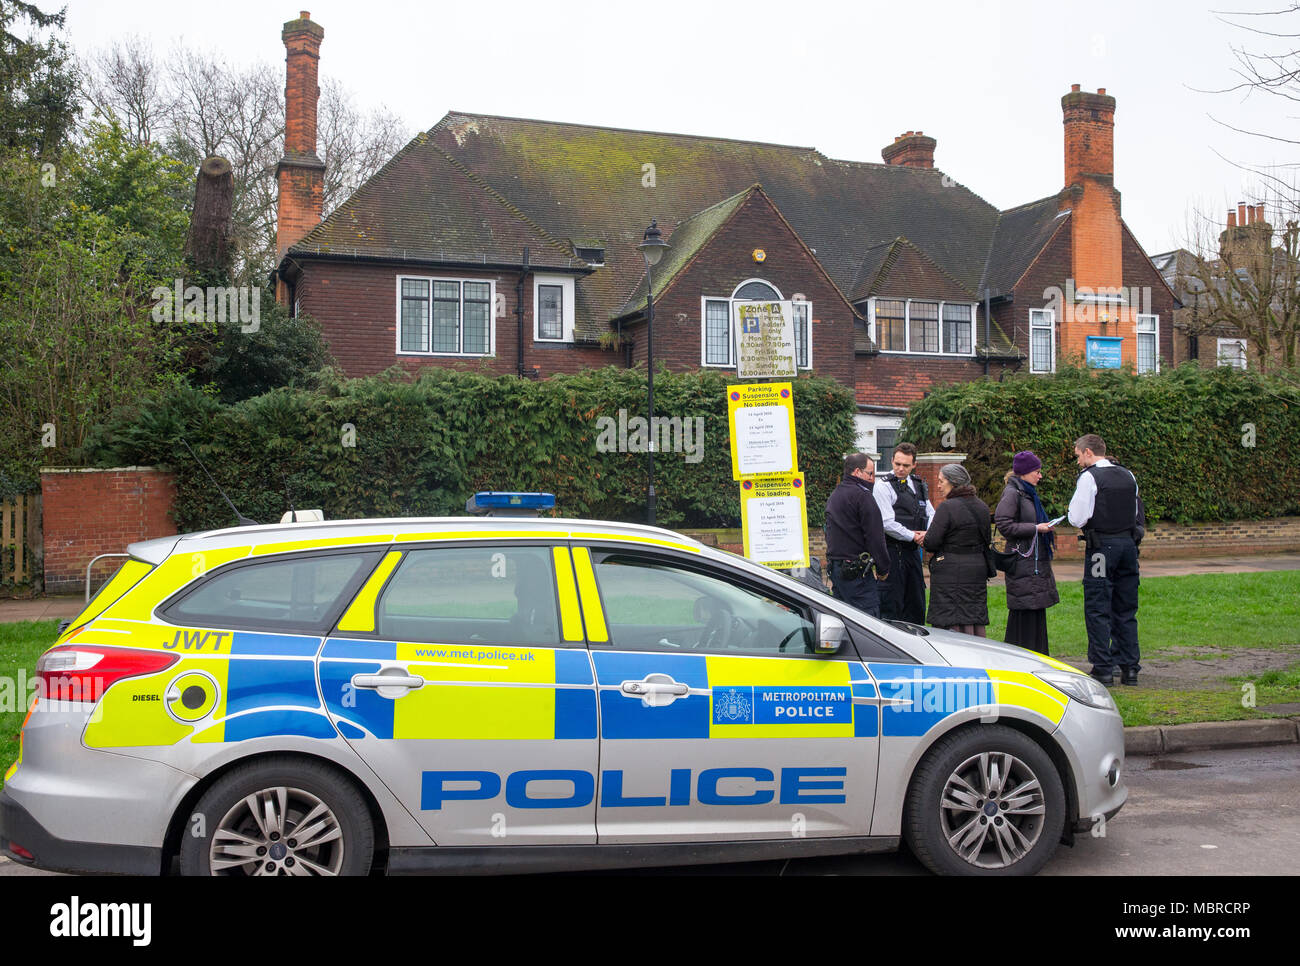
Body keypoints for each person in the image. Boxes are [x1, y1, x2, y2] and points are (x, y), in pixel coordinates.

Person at [1067, 433, 1141, 686]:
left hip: (1101, 551)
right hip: (1128, 548)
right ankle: (1129, 667)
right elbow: (1135, 511)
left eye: (1078, 455)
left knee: (1098, 606)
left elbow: (1077, 518)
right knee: (1126, 608)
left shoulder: (1090, 477)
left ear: (1088, 452)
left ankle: (1103, 668)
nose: (1077, 461)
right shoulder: (1127, 475)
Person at [994, 450, 1059, 654]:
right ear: (1024, 472)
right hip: (1023, 560)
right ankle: (1023, 654)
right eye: (1037, 472)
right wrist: (1035, 528)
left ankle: (1037, 653)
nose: (1040, 476)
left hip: (1033, 561)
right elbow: (1003, 524)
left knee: (1034, 608)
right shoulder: (1013, 493)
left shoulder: (1027, 492)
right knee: (1024, 609)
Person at [922, 463, 990, 636]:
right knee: (972, 618)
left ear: (953, 483)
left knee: (952, 620)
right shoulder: (982, 506)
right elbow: (986, 538)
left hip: (950, 573)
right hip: (977, 569)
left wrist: (925, 536)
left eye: (941, 481)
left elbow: (931, 542)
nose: (938, 485)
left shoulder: (947, 507)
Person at [824, 452, 891, 617]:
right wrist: (883, 568)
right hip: (856, 573)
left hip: (837, 568)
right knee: (868, 622)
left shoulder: (835, 495)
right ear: (856, 472)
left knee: (844, 619)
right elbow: (875, 537)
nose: (872, 479)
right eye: (869, 473)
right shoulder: (863, 496)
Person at [874, 442, 932, 625]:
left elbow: (930, 513)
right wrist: (914, 536)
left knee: (915, 602)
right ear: (891, 461)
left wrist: (926, 534)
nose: (900, 468)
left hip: (913, 553)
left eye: (906, 465)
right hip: (892, 552)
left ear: (914, 465)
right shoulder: (883, 486)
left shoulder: (919, 485)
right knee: (892, 604)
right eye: (897, 464)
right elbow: (886, 523)